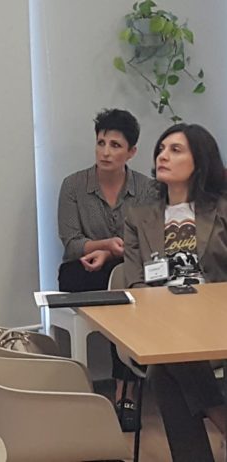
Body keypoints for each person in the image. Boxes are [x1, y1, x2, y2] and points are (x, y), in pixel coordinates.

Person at [124, 123, 227, 462]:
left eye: (175, 150)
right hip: (162, 324)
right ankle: (221, 417)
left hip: (216, 322)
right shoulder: (139, 218)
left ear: (200, 161)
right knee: (167, 354)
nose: (162, 156)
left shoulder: (222, 211)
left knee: (163, 367)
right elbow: (135, 283)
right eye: (161, 149)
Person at [57, 108, 154, 429]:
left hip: (128, 271)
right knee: (122, 291)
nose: (105, 152)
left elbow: (148, 241)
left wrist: (113, 252)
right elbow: (72, 243)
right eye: (101, 143)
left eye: (115, 145)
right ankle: (126, 390)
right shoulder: (73, 186)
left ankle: (124, 391)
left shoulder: (146, 189)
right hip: (83, 271)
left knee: (125, 291)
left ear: (131, 152)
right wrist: (105, 247)